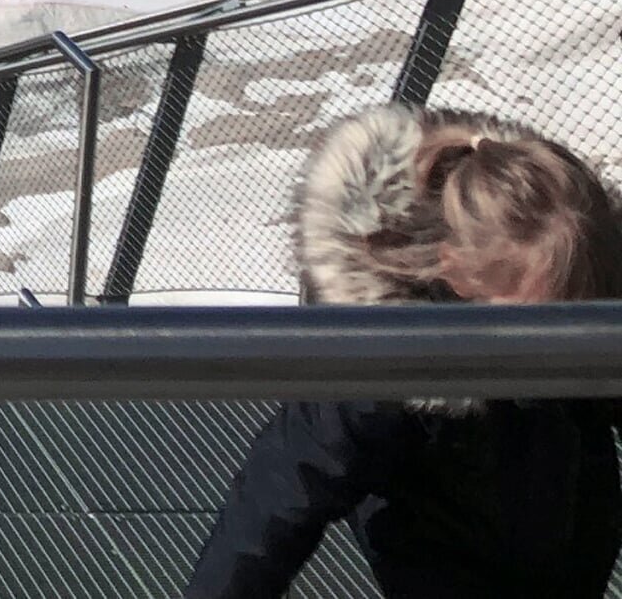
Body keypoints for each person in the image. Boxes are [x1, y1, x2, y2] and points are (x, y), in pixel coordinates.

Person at [185, 103, 622, 599]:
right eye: (536, 323)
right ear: (454, 271)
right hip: (434, 532)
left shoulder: (581, 268)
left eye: (578, 318)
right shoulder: (383, 357)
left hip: (567, 515)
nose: (558, 346)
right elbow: (281, 495)